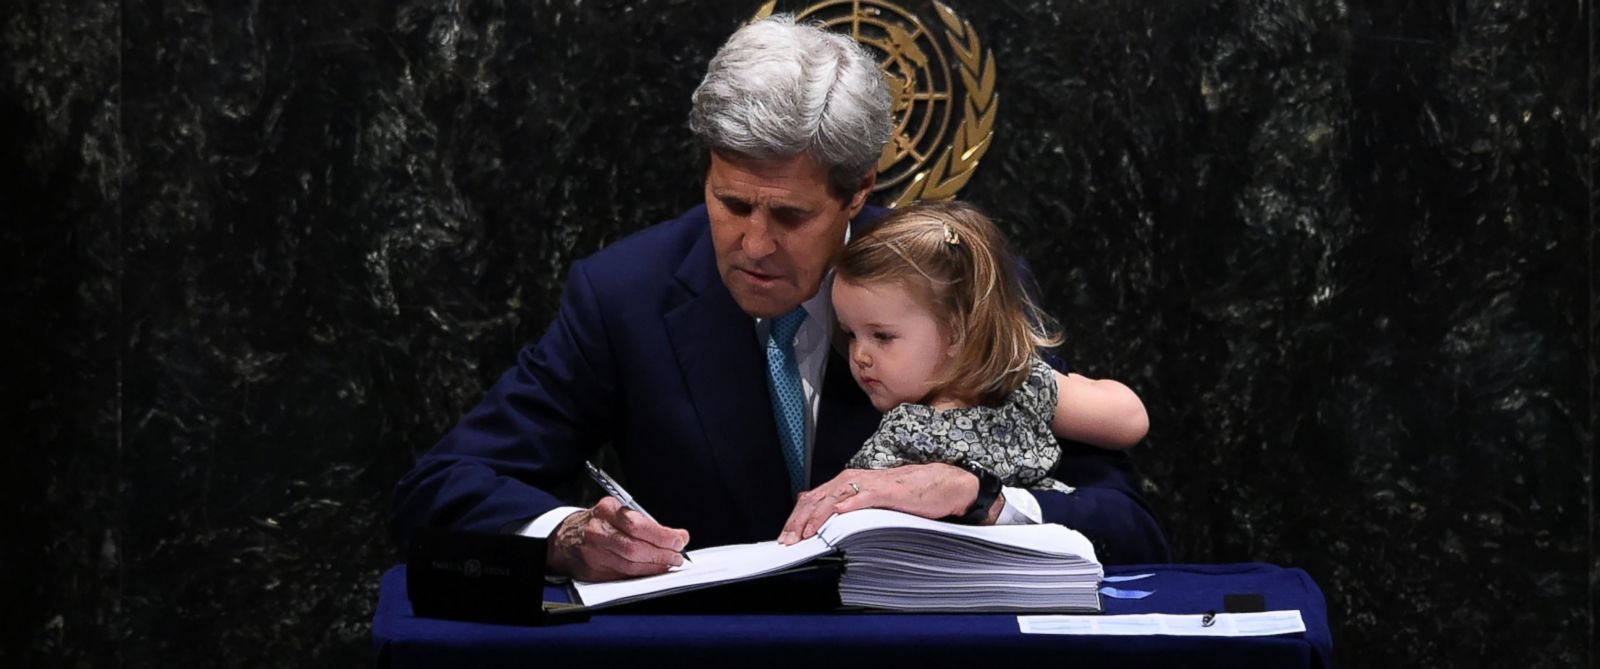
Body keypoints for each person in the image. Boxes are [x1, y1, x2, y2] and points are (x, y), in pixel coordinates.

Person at [389, 15, 1170, 584]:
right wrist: (566, 534)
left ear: (860, 191)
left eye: (791, 215)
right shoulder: (623, 294)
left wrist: (984, 499)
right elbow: (442, 486)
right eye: (732, 204)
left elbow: (1134, 532)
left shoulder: (957, 281)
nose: (755, 244)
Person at [778, 200, 1149, 544]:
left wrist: (1064, 386)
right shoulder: (897, 433)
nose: (859, 355)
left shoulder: (1020, 385)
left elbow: (1130, 422)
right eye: (850, 335)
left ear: (957, 331)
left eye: (882, 336)